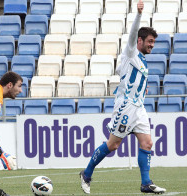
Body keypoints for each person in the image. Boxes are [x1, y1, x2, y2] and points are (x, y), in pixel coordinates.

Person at [79, 0, 166, 194]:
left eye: (153, 42)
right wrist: (139, 14)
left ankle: (146, 183)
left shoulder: (142, 61)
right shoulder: (130, 52)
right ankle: (87, 173)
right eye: (149, 41)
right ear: (140, 41)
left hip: (139, 107)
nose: (152, 45)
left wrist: (143, 88)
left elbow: (131, 79)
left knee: (147, 143)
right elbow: (133, 33)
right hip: (126, 106)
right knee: (113, 144)